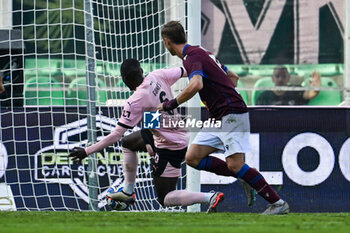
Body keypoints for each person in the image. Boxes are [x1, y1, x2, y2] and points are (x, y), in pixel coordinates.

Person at [159, 21, 289, 215]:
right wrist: (221, 94)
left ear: (167, 42)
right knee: (193, 158)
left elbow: (196, 84)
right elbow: (233, 77)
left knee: (235, 165)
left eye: (164, 42)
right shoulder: (201, 52)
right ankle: (246, 176)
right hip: (219, 115)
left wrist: (171, 104)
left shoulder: (191, 57)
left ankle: (278, 204)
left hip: (230, 114)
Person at [68, 58, 225, 212]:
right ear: (142, 71)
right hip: (176, 132)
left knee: (165, 198)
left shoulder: (135, 101)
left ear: (124, 79)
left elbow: (116, 134)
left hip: (170, 145)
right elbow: (186, 71)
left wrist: (86, 151)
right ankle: (128, 192)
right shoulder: (157, 75)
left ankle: (209, 197)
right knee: (127, 142)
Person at [256, 66, 321, 105]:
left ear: (288, 78)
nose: (280, 79)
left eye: (284, 76)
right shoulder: (264, 97)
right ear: (272, 78)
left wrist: (315, 89)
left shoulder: (295, 90)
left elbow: (310, 94)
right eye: (277, 76)